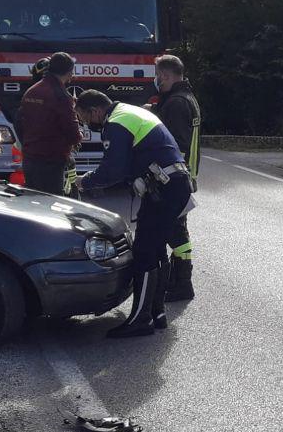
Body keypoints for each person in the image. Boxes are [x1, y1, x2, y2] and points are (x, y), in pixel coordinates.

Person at [75, 90, 192, 338]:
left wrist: (85, 182)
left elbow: (113, 169)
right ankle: (156, 314)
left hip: (165, 187)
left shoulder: (116, 123)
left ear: (95, 111)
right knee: (156, 249)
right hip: (170, 184)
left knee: (144, 253)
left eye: (84, 117)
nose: (85, 124)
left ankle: (141, 319)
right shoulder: (130, 111)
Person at [145, 54, 201, 301]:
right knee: (178, 231)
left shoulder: (177, 103)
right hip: (184, 176)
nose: (157, 81)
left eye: (159, 76)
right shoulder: (186, 98)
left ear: (166, 75)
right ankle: (178, 281)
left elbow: (176, 144)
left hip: (174, 179)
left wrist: (163, 175)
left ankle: (182, 284)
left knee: (175, 233)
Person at [15, 52, 80, 195]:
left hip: (30, 159)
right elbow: (72, 132)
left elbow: (19, 123)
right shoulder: (61, 96)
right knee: (52, 205)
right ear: (69, 72)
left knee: (33, 202)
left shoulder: (31, 91)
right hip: (51, 160)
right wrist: (78, 137)